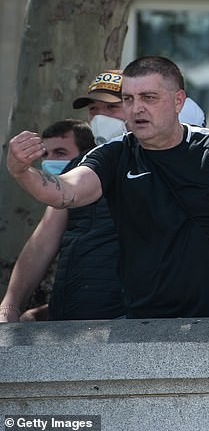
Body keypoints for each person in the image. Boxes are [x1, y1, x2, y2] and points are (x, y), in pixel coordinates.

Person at [6, 56, 209, 321]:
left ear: (178, 101)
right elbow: (65, 193)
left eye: (149, 98)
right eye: (128, 100)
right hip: (142, 321)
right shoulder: (113, 154)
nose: (136, 109)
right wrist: (22, 171)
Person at [1, 70, 131, 324]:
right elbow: (43, 242)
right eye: (93, 109)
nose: (99, 117)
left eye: (111, 108)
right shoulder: (79, 165)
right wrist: (10, 305)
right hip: (70, 320)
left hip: (127, 322)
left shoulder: (155, 165)